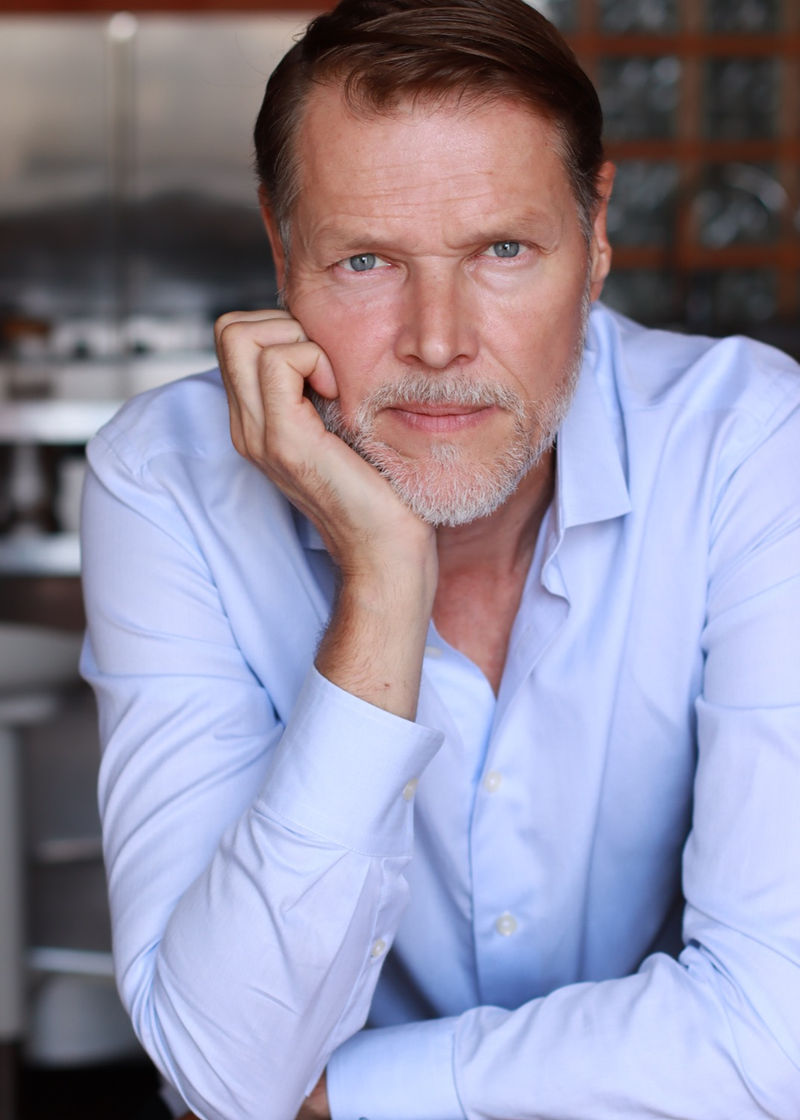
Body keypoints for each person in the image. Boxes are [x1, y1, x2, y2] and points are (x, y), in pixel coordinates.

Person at [79, 0, 800, 1116]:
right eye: (365, 260)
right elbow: (222, 1073)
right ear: (280, 247)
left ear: (597, 235)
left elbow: (775, 1030)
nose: (437, 339)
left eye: (502, 250)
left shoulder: (749, 443)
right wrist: (383, 582)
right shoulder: (166, 479)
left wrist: (358, 1094)